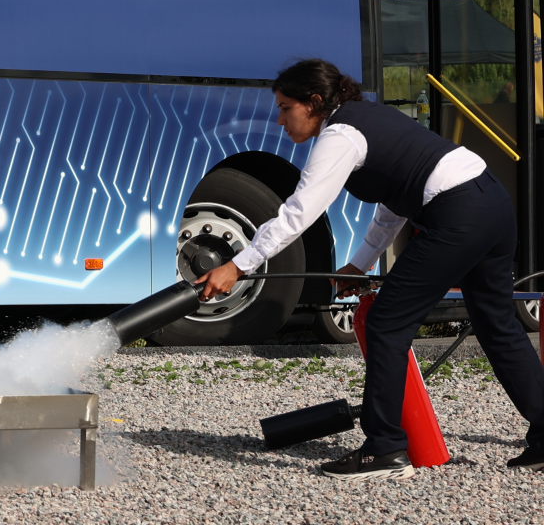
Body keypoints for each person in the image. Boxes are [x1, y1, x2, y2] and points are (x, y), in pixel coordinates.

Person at [196, 59, 544, 479]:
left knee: (386, 323)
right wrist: (360, 263)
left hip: (459, 214)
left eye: (286, 108)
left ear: (314, 102)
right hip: (492, 202)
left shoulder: (340, 135)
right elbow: (395, 201)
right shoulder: (369, 118)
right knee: (498, 324)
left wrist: (238, 265)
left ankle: (385, 449)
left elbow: (298, 213)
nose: (280, 119)